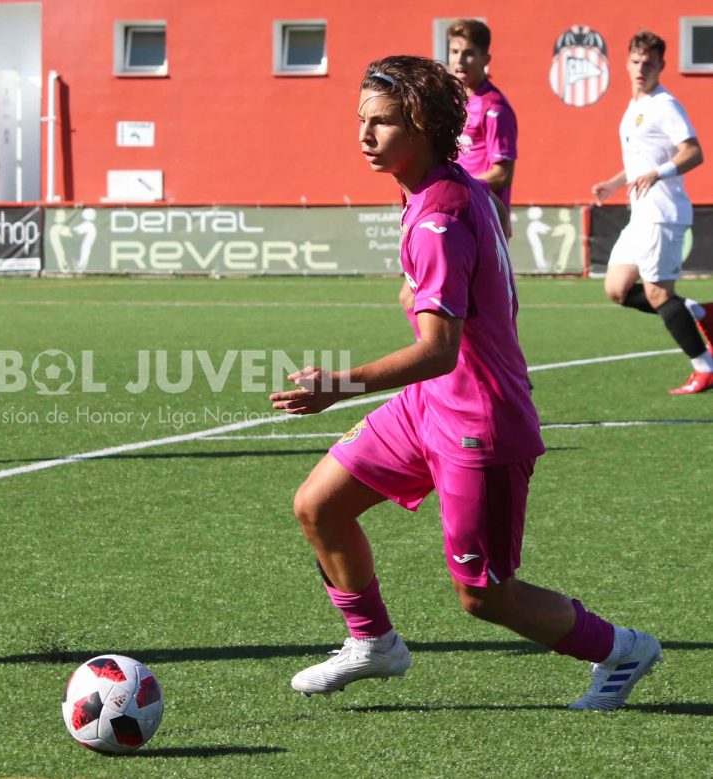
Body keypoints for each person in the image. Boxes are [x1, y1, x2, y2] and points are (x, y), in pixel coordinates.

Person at [270, 55, 660, 711]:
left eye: (382, 123)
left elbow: (439, 350)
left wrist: (339, 383)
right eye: (361, 120)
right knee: (319, 505)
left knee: (485, 594)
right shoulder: (447, 185)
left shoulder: (437, 219)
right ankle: (373, 642)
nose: (364, 136)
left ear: (420, 124)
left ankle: (622, 649)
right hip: (427, 408)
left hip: (481, 422)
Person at [591, 30, 712, 395]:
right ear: (626, 63)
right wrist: (613, 183)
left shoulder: (665, 105)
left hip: (664, 212)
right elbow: (641, 162)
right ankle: (702, 313)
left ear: (661, 65)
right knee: (616, 288)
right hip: (640, 214)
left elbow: (693, 152)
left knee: (659, 293)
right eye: (636, 61)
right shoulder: (634, 108)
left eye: (649, 62)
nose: (641, 68)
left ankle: (704, 368)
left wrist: (660, 173)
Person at [446, 19, 517, 213]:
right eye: (454, 52)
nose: (459, 60)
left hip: (485, 219)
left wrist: (457, 187)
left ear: (486, 59)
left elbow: (502, 175)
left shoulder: (494, 107)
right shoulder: (451, 101)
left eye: (468, 53)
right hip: (456, 211)